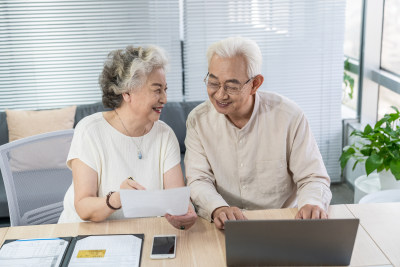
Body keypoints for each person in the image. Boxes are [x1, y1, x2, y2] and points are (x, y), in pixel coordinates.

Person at [185, 36, 332, 230]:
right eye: (213, 83)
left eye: (231, 86)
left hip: (282, 223)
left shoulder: (288, 117)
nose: (220, 94)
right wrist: (218, 207)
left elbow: (312, 177)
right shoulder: (198, 120)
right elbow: (198, 179)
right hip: (224, 225)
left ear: (255, 84)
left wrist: (312, 203)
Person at [58, 45, 197, 230]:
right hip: (86, 232)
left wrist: (183, 213)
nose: (164, 98)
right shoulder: (90, 131)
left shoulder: (165, 134)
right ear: (127, 92)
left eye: (165, 89)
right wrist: (118, 198)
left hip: (141, 231)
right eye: (157, 90)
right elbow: (83, 207)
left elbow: (177, 198)